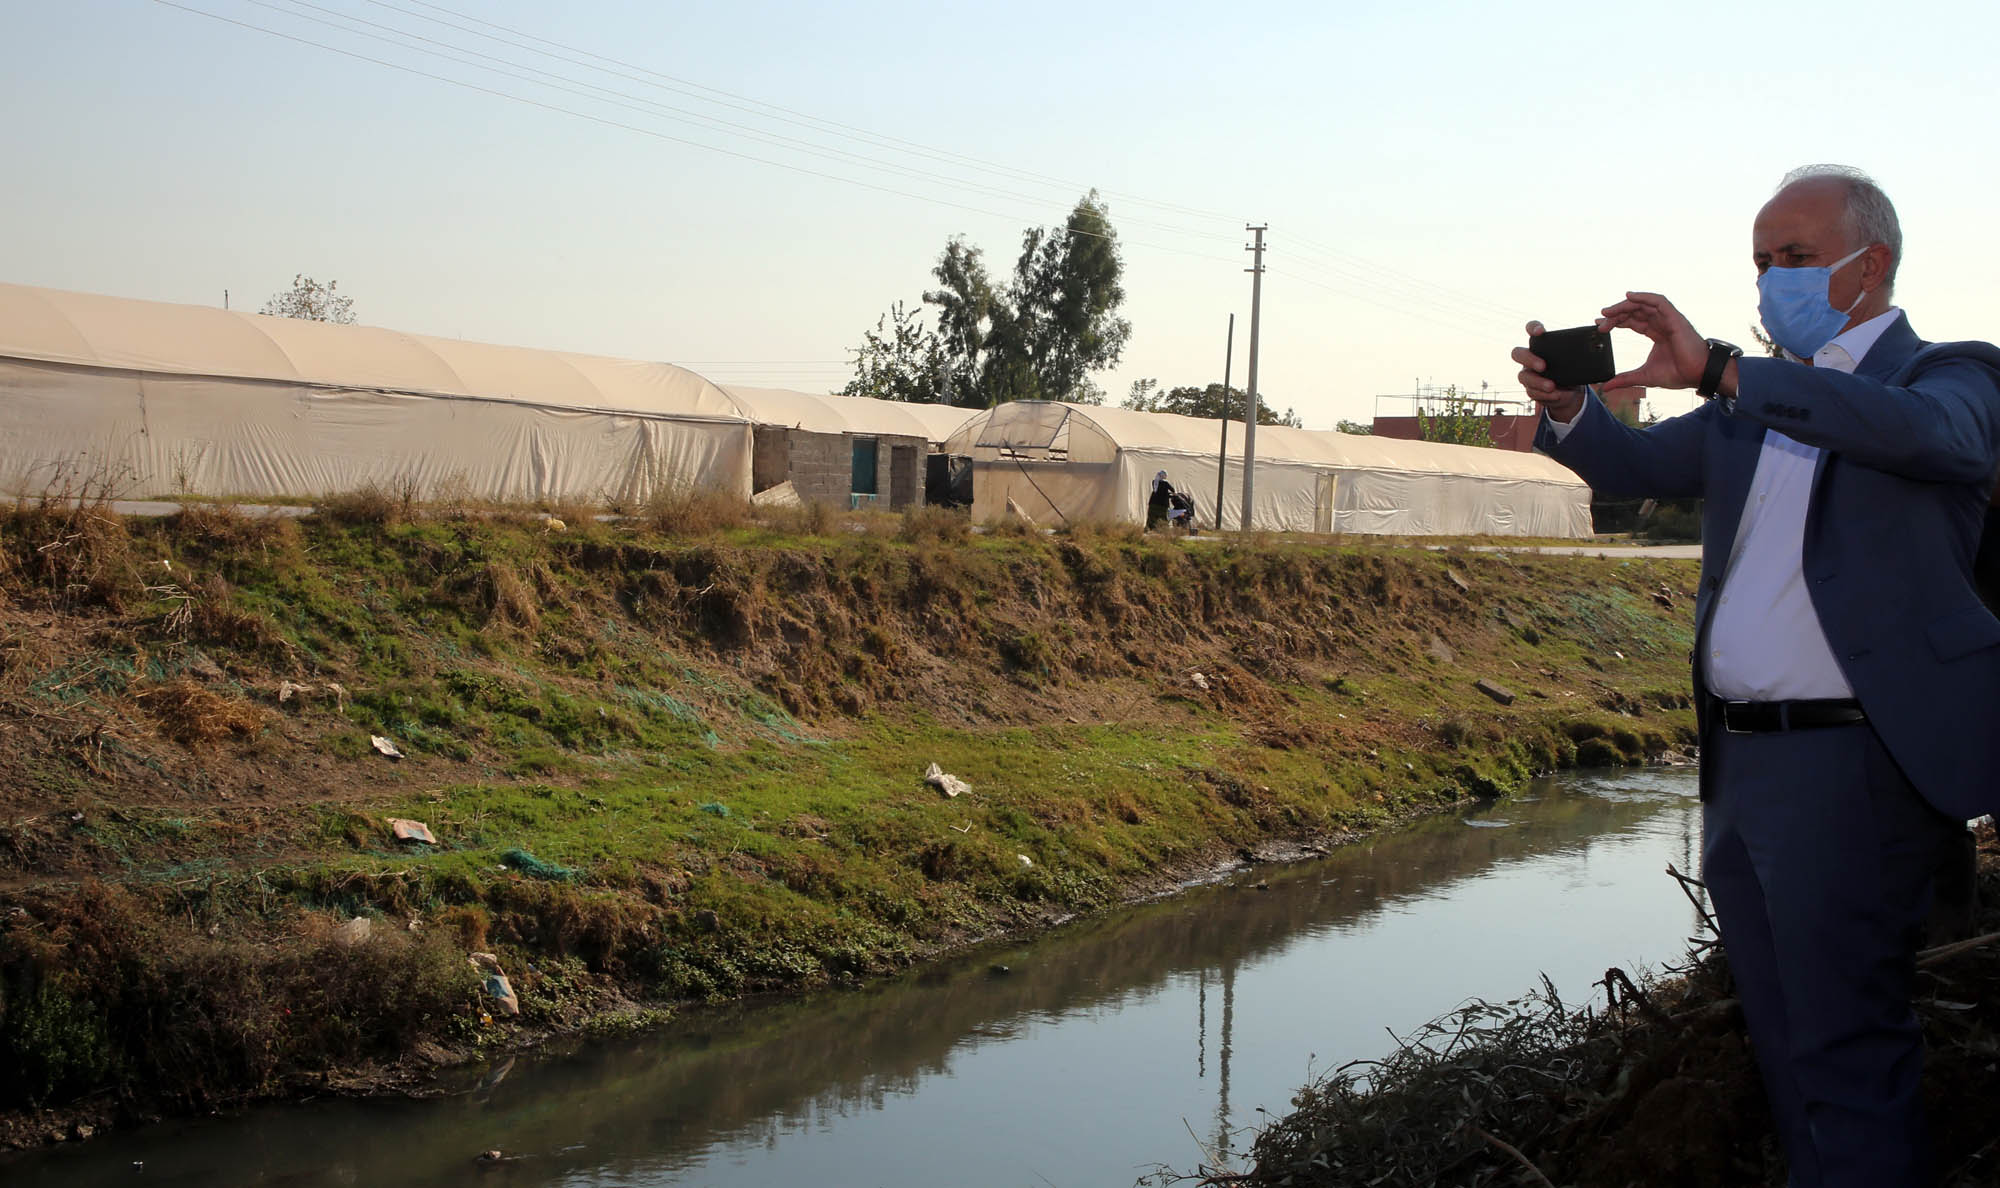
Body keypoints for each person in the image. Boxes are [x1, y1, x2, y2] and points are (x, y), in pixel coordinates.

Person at [1513, 164, 2000, 1188]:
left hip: (1855, 770)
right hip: (1742, 772)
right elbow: (1640, 470)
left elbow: (1921, 438)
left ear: (1867, 268)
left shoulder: (1948, 378)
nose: (1770, 279)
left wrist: (1727, 369)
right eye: (1759, 263)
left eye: (1793, 259)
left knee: (1842, 1042)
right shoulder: (1745, 410)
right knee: (1784, 1041)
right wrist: (1569, 412)